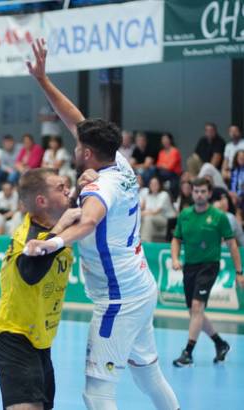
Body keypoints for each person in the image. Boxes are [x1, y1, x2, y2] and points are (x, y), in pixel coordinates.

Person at [25, 38, 179, 410]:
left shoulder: (100, 188)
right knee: (148, 375)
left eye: (79, 146)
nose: (74, 147)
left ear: (87, 153)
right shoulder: (120, 163)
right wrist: (44, 80)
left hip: (118, 299)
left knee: (96, 392)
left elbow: (90, 220)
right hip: (140, 286)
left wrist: (53, 242)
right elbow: (74, 118)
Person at [0, 168, 81, 410]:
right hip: (14, 338)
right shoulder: (28, 236)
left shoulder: (58, 225)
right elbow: (30, 273)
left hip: (40, 340)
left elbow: (80, 205)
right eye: (61, 188)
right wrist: (58, 230)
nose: (68, 192)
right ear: (42, 201)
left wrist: (86, 179)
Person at [171, 178, 244, 367]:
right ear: (192, 193)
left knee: (197, 307)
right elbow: (176, 239)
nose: (199, 194)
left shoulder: (219, 217)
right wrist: (176, 258)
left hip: (209, 266)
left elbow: (232, 244)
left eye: (203, 191)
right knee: (195, 312)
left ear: (209, 194)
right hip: (190, 267)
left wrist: (239, 272)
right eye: (196, 191)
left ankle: (188, 353)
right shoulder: (185, 215)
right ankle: (220, 343)